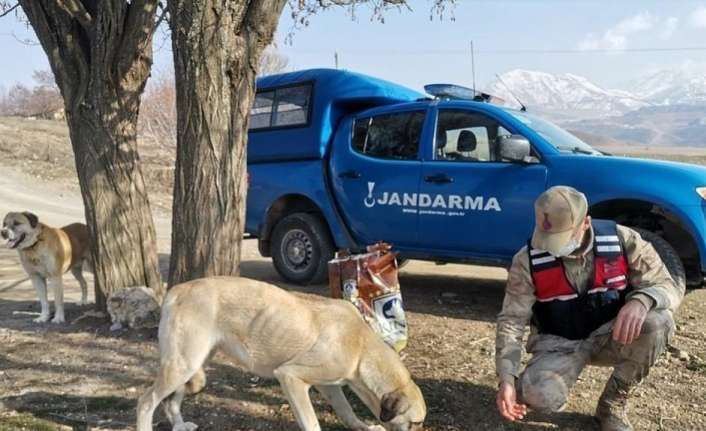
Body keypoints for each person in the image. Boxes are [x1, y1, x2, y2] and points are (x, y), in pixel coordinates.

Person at [495, 186, 684, 431]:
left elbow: (666, 284)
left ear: (586, 223)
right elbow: (512, 319)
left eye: (561, 237)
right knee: (539, 397)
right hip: (559, 342)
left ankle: (612, 405)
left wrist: (643, 300)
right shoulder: (526, 260)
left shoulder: (623, 240)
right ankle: (532, 383)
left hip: (611, 334)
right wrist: (506, 378)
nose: (551, 247)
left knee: (658, 322)